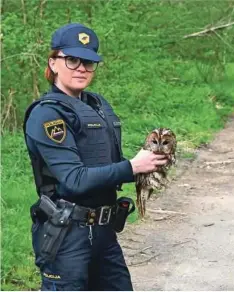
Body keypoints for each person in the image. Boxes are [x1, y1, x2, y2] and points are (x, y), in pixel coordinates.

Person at [24, 23, 167, 290]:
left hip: (104, 231)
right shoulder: (47, 114)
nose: (81, 68)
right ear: (53, 63)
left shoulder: (97, 105)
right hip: (66, 237)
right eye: (72, 59)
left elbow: (102, 162)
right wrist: (133, 167)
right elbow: (74, 180)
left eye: (89, 62)